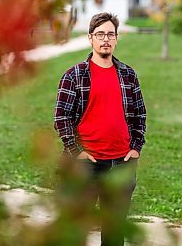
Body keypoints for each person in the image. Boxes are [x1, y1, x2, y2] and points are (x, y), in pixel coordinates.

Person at [54, 12, 147, 246]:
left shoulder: (128, 75)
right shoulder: (74, 76)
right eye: (100, 34)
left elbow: (139, 115)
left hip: (121, 164)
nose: (105, 39)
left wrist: (135, 147)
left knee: (115, 232)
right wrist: (76, 151)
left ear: (116, 39)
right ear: (90, 38)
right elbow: (61, 117)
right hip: (85, 164)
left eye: (110, 34)